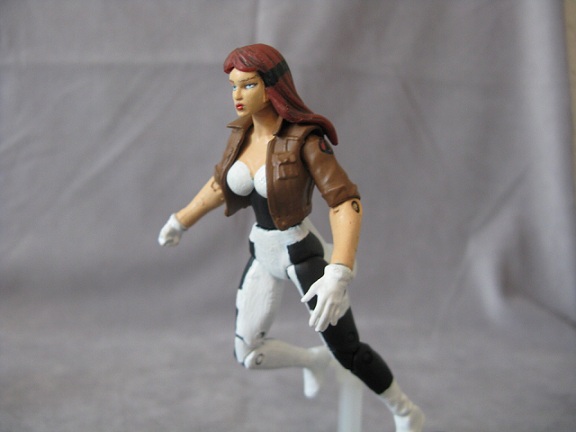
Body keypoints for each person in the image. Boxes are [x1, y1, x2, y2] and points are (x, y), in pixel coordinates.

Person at [158, 43, 424, 432]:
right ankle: (312, 361)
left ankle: (404, 410)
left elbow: (344, 201)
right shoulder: (241, 134)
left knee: (347, 350)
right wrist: (181, 220)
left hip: (301, 254)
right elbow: (220, 185)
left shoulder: (304, 139)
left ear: (272, 87)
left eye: (248, 85)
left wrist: (339, 270)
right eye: (233, 86)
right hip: (262, 252)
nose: (236, 95)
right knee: (248, 353)